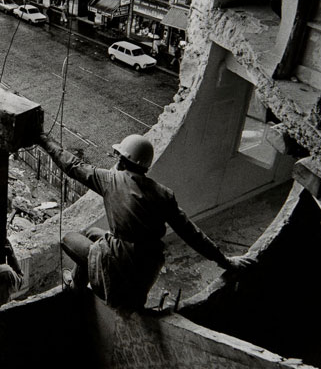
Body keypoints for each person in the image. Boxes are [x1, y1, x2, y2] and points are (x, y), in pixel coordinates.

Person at [37, 133, 253, 311]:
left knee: (69, 239)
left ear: (122, 160)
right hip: (144, 273)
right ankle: (80, 283)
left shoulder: (111, 180)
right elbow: (192, 234)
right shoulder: (164, 195)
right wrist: (225, 261)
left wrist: (43, 140)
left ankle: (77, 289)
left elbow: (73, 166)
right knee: (93, 232)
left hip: (120, 271)